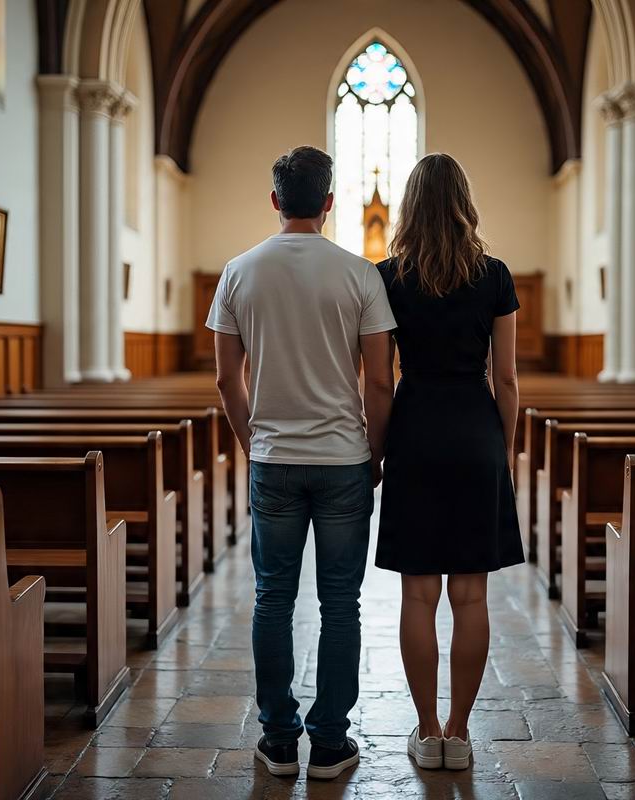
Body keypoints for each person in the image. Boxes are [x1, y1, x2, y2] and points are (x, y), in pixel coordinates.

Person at [207, 146, 396, 781]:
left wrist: (247, 440)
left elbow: (227, 381)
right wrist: (375, 452)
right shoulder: (360, 275)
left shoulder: (238, 272)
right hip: (344, 459)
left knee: (272, 599)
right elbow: (379, 383)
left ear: (274, 200)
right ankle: (332, 742)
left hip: (274, 458)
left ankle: (280, 741)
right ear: (330, 202)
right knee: (342, 603)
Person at [374, 153, 524, 770]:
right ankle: (460, 735)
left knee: (417, 599)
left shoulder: (387, 277)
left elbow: (378, 383)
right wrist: (503, 451)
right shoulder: (494, 276)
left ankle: (427, 727)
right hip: (474, 432)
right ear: (465, 203)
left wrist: (379, 454)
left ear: (408, 207)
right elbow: (507, 379)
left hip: (414, 431)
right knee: (470, 598)